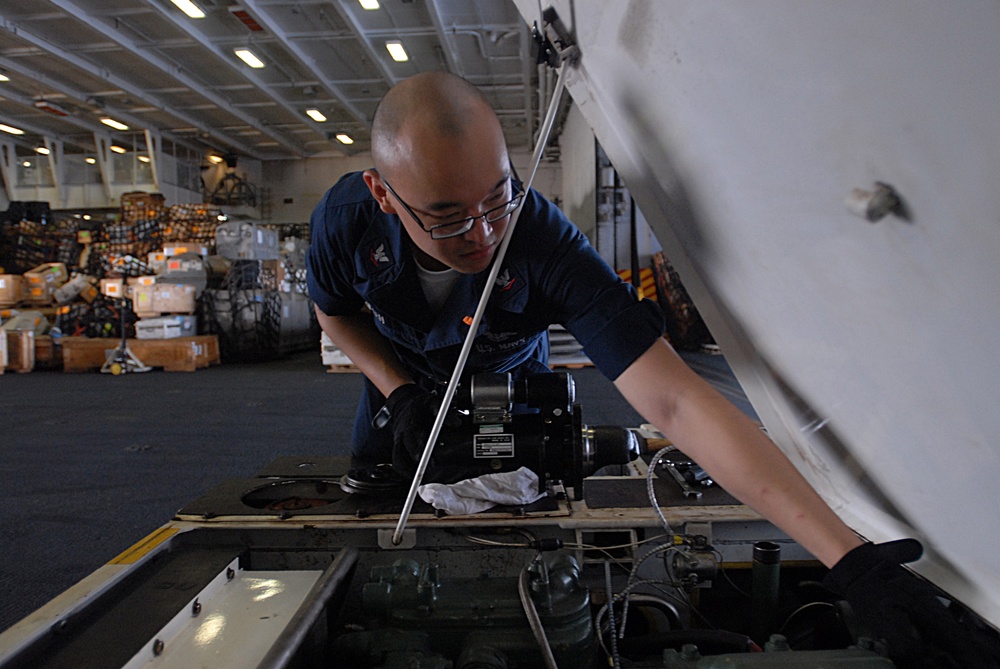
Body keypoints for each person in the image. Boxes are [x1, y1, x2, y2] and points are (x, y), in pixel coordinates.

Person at [307, 71, 998, 667]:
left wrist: (847, 557)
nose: (485, 235)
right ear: (383, 192)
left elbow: (675, 402)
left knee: (521, 526)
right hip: (399, 386)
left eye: (498, 198)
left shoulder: (544, 241)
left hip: (509, 384)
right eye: (448, 219)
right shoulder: (344, 222)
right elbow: (334, 315)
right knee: (377, 510)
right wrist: (397, 392)